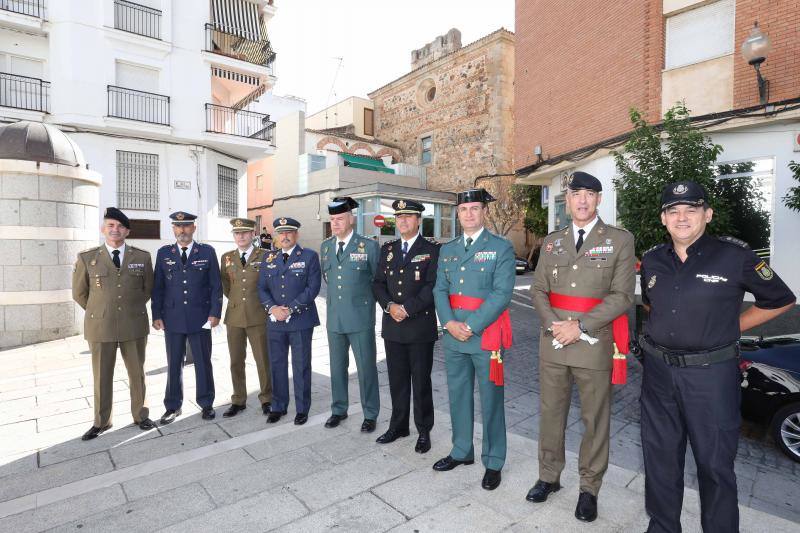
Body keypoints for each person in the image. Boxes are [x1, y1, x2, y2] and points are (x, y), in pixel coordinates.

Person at [639, 181, 795, 533]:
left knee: (714, 466)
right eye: (673, 211)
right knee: (660, 459)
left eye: (691, 210)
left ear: (707, 215)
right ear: (663, 219)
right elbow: (653, 307)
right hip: (659, 375)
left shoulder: (735, 255)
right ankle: (663, 527)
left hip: (710, 376)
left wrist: (733, 325)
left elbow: (780, 299)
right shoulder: (651, 260)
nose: (682, 218)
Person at [528, 171, 635, 522]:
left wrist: (580, 326)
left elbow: (621, 296)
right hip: (554, 343)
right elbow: (538, 290)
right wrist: (554, 326)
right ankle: (548, 476)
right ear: (568, 200)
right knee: (551, 415)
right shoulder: (552, 241)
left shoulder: (619, 240)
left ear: (599, 199)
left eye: (590, 194)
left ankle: (589, 488)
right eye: (576, 194)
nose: (583, 200)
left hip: (593, 344)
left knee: (594, 421)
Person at [432, 188, 515, 491]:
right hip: (454, 336)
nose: (469, 214)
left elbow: (502, 293)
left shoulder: (501, 247)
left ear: (484, 212)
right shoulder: (448, 249)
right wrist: (449, 323)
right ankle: (461, 450)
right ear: (458, 214)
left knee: (491, 400)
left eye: (475, 209)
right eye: (464, 209)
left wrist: (471, 325)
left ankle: (493, 460)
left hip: (484, 337)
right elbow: (439, 289)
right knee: (458, 395)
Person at [72, 207, 156, 440]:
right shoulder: (87, 258)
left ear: (127, 231)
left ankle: (141, 415)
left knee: (137, 373)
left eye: (120, 226)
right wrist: (101, 310)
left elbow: (147, 289)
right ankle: (102, 421)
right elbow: (79, 293)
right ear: (103, 229)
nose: (115, 230)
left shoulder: (142, 257)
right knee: (101, 375)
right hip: (101, 326)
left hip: (133, 324)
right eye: (111, 225)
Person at [372, 199, 440, 453]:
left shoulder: (431, 250)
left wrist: (408, 308)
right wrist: (390, 306)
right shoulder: (387, 249)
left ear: (419, 220)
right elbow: (377, 283)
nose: (403, 221)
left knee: (421, 382)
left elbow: (432, 286)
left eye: (409, 217)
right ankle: (399, 425)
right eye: (399, 217)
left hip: (419, 327)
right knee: (397, 380)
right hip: (393, 326)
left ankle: (424, 430)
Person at [151, 211, 222, 424]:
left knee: (203, 361)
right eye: (178, 227)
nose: (182, 230)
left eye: (187, 226)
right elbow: (158, 288)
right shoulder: (164, 253)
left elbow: (216, 286)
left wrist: (215, 313)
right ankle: (172, 406)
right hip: (172, 318)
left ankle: (207, 403)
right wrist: (156, 315)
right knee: (174, 363)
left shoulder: (207, 252)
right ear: (173, 229)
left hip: (200, 317)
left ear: (194, 228)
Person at [320, 196, 380, 432]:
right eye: (332, 219)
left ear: (351, 219)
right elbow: (328, 279)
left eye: (340, 219)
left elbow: (377, 282)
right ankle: (339, 409)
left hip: (360, 319)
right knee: (336, 367)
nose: (335, 223)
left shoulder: (369, 246)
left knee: (366, 368)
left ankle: (371, 413)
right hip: (334, 319)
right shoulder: (326, 247)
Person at [258, 217, 321, 425]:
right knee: (276, 364)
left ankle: (302, 409)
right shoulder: (268, 258)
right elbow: (262, 288)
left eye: (289, 232)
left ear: (296, 234)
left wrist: (291, 308)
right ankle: (279, 406)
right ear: (276, 236)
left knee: (301, 365)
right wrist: (273, 308)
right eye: (281, 233)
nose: (285, 236)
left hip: (301, 320)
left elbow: (312, 288)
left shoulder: (309, 257)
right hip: (275, 321)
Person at [219, 218, 272, 418]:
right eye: (236, 233)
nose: (240, 236)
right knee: (236, 360)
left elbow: (270, 284)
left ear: (252, 235)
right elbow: (226, 286)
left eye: (244, 233)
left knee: (263, 360)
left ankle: (267, 398)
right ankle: (239, 399)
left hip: (258, 315)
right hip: (234, 317)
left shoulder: (265, 256)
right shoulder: (226, 258)